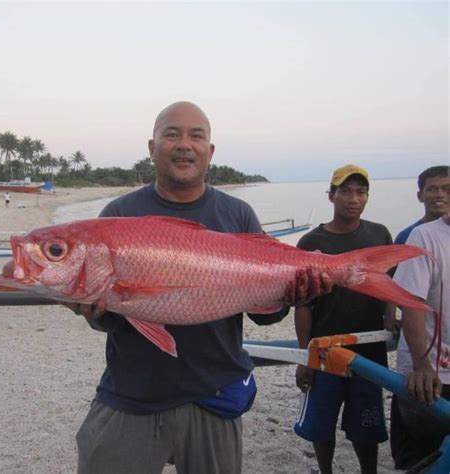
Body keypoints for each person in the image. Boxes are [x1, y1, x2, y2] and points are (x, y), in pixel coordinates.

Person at [66, 101, 331, 474]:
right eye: (171, 134)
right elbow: (113, 319)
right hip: (133, 390)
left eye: (196, 135)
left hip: (215, 393)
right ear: (151, 147)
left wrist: (293, 294)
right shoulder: (118, 214)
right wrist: (95, 313)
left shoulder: (237, 214)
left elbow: (263, 314)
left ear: (210, 151)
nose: (184, 144)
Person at [293, 164, 393, 474]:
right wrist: (304, 355)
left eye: (360, 192)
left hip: (370, 348)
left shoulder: (379, 234)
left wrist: (390, 319)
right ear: (331, 195)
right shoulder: (311, 242)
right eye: (346, 191)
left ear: (367, 197)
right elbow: (303, 304)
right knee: (321, 425)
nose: (353, 198)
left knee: (367, 426)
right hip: (325, 349)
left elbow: (388, 284)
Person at [390, 170, 450, 470]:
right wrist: (422, 365)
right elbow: (410, 303)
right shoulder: (422, 236)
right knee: (422, 458)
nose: (441, 195)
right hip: (431, 372)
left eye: (447, 188)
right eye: (434, 189)